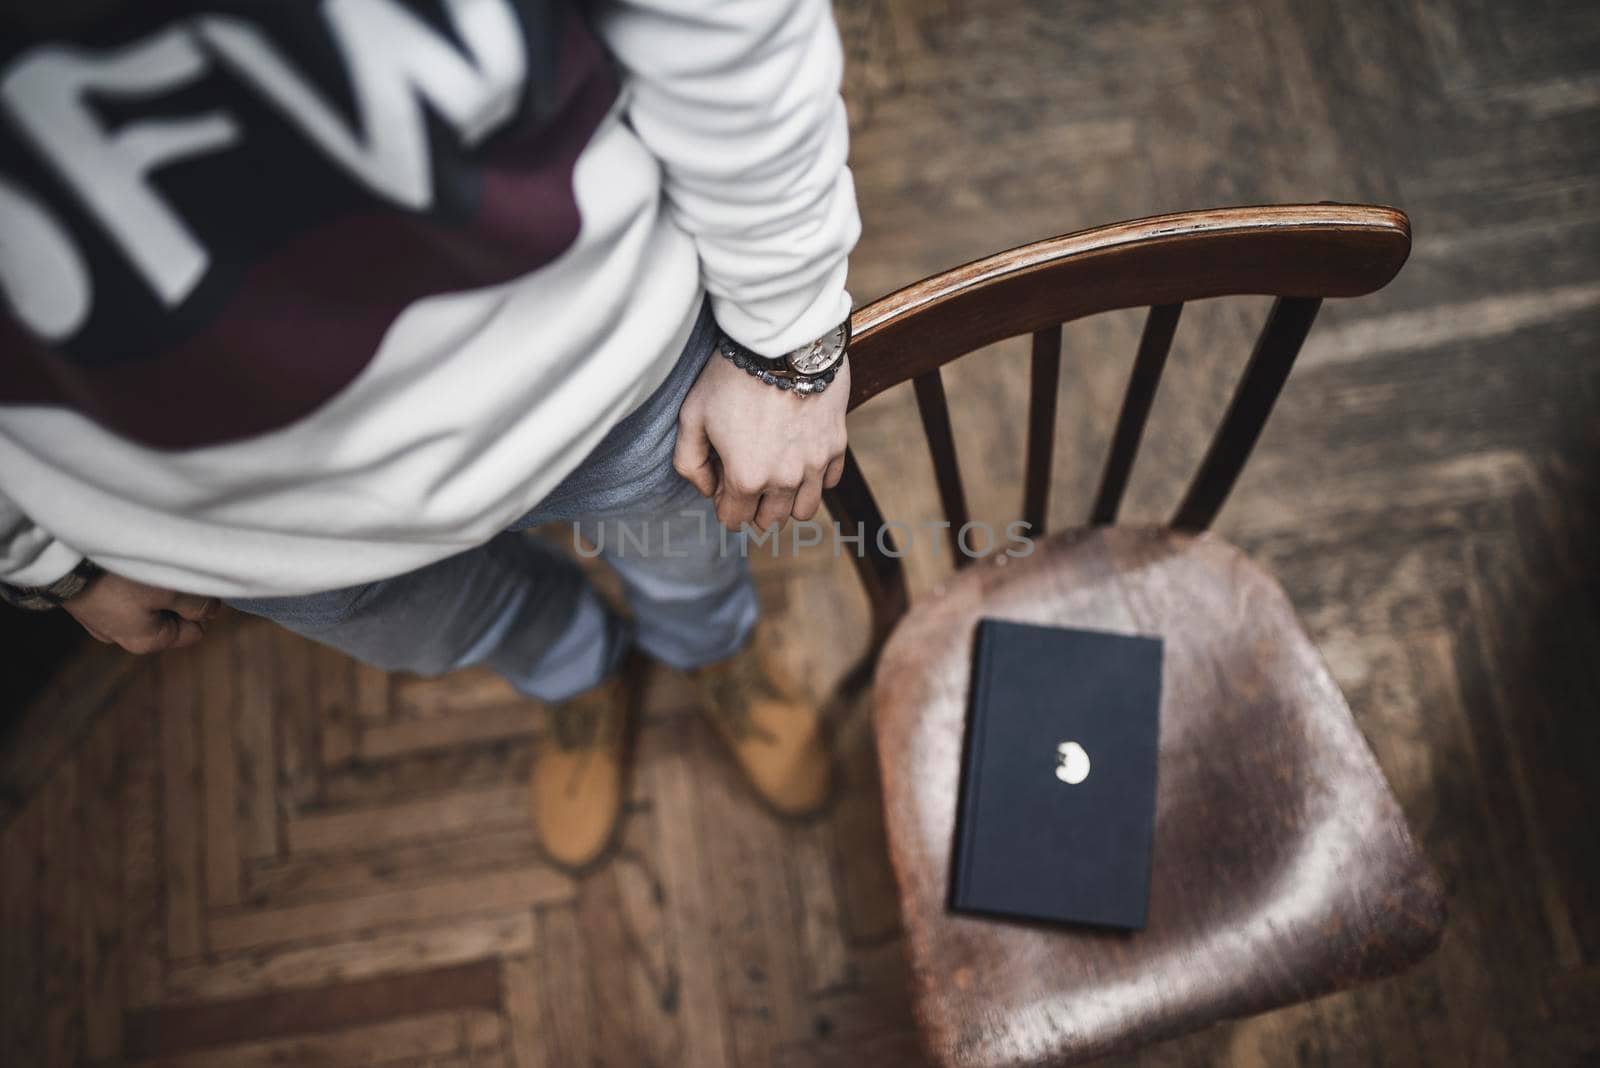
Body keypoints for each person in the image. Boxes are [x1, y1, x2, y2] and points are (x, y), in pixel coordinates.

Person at [0, 0, 860, 870]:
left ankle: (717, 657)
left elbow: (723, 21)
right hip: (234, 528)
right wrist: (38, 555)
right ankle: (580, 676)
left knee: (691, 560)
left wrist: (787, 339)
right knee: (463, 631)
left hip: (610, 368)